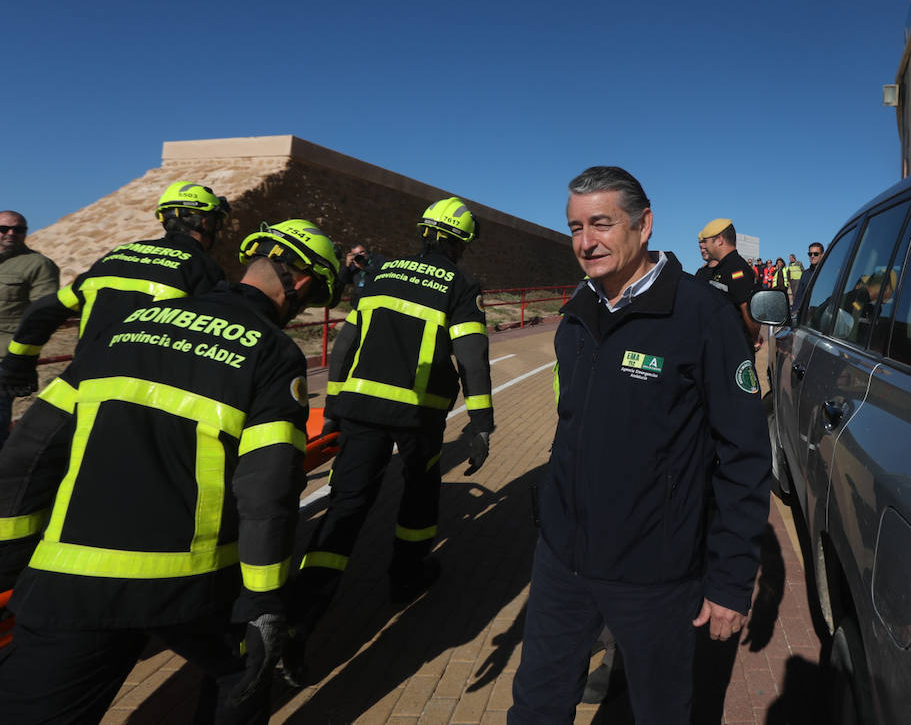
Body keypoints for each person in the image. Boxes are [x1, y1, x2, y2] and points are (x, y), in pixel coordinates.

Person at [0, 219, 341, 724]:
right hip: (193, 585)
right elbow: (268, 490)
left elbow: (29, 451)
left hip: (71, 577)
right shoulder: (271, 352)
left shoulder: (126, 327)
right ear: (304, 285)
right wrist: (266, 602)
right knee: (241, 682)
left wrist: (11, 561)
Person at [508, 166, 770, 724]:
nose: (585, 242)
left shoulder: (703, 315)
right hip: (563, 559)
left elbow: (744, 455)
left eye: (601, 224)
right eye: (575, 227)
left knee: (659, 711)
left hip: (655, 570)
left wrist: (729, 578)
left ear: (644, 224)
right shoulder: (576, 315)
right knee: (535, 705)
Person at [292, 197, 494, 649]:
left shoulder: (382, 273)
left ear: (424, 232)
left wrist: (338, 404)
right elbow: (472, 359)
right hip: (418, 415)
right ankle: (407, 577)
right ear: (461, 244)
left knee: (347, 504)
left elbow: (344, 346)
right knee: (419, 497)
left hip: (361, 408)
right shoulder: (461, 284)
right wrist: (481, 421)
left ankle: (302, 613)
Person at [0, 182, 230, 411]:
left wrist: (18, 362)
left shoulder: (118, 255)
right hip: (141, 399)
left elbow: (43, 310)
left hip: (78, 390)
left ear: (163, 218)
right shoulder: (203, 269)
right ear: (206, 221)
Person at [0, 211, 58, 449]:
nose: (11, 234)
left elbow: (43, 314)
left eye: (19, 229)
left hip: (4, 357)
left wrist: (21, 358)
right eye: (4, 229)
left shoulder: (38, 265)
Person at [699, 218, 761, 347]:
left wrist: (753, 340)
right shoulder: (721, 268)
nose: (705, 246)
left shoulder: (737, 269)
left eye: (707, 241)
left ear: (720, 240)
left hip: (733, 348)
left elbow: (750, 315)